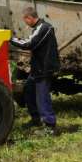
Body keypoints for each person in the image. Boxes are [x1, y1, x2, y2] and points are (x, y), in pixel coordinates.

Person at [10, 7, 60, 135]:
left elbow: (30, 43)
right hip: (37, 68)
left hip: (44, 68)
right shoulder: (38, 28)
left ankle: (50, 126)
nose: (25, 23)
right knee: (29, 90)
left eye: (25, 20)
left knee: (42, 97)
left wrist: (10, 39)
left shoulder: (44, 28)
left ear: (29, 18)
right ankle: (36, 119)